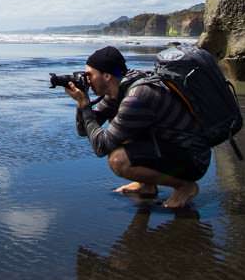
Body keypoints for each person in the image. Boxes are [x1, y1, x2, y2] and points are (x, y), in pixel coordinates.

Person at [66, 46, 210, 209]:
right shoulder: (118, 89)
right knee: (124, 131)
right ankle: (146, 184)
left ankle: (185, 186)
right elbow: (84, 130)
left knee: (118, 160)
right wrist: (81, 103)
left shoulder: (137, 97)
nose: (87, 80)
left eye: (89, 75)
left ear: (106, 76)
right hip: (174, 148)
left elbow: (101, 146)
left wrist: (85, 105)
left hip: (194, 158)